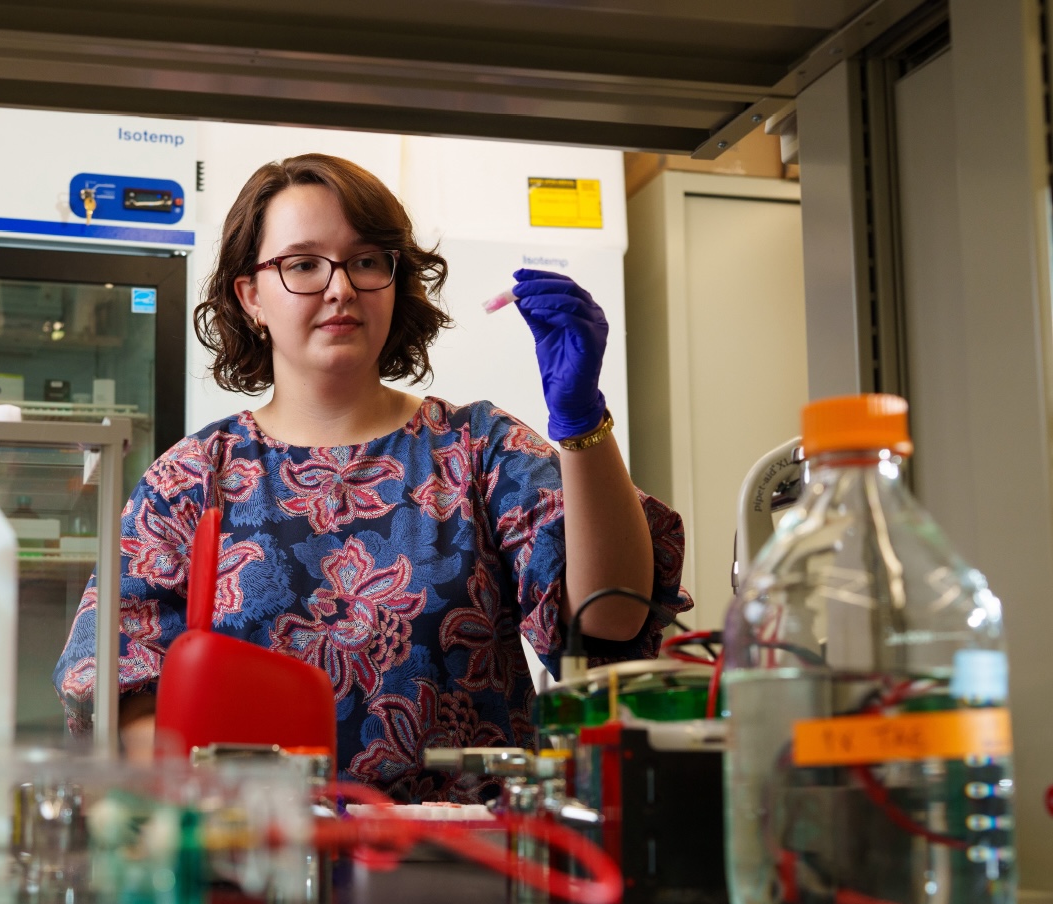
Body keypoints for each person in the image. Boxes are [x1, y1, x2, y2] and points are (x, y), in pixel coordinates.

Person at [54, 153, 691, 800]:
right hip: (254, 860)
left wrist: (582, 422)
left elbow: (611, 618)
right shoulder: (192, 479)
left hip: (467, 869)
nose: (340, 288)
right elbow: (112, 683)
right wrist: (190, 801)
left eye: (365, 261)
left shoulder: (478, 448)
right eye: (303, 264)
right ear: (250, 296)